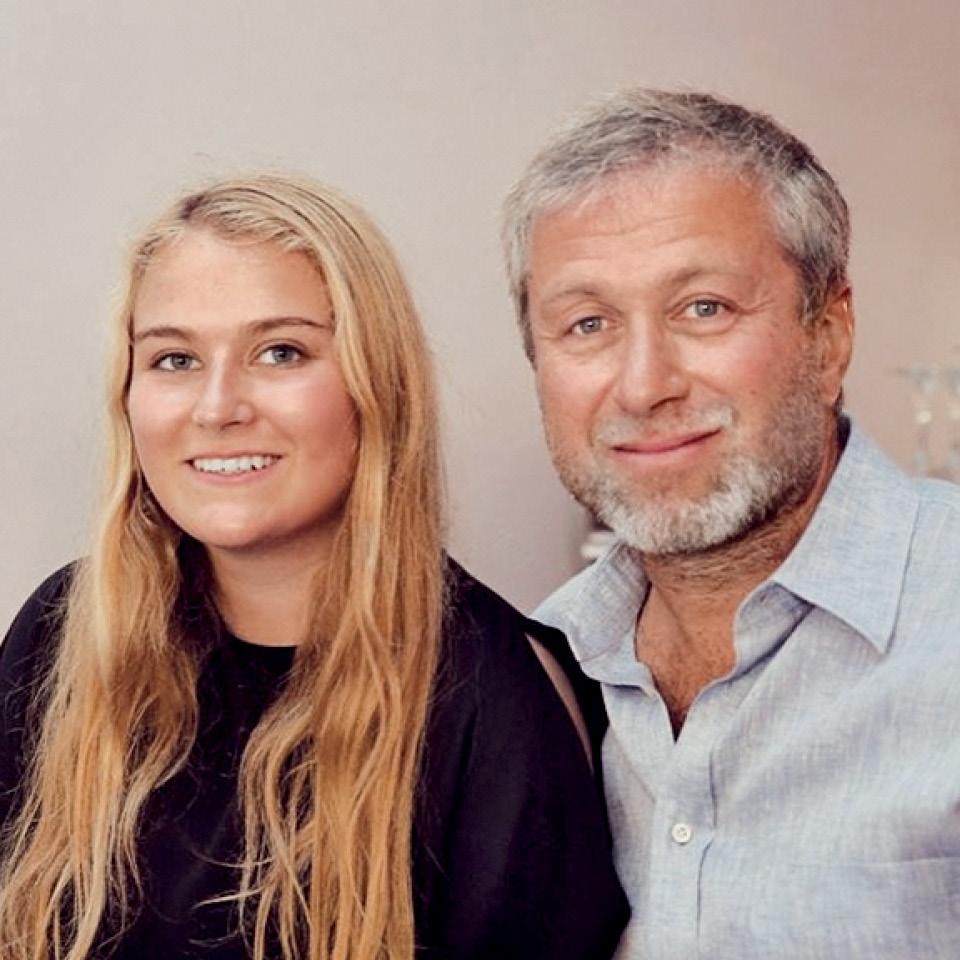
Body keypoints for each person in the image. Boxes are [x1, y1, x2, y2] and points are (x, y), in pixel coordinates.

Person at [0, 174, 628, 960]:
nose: (218, 407)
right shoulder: (63, 634)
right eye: (174, 359)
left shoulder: (494, 696)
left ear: (376, 387)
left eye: (280, 352)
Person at [502, 88, 960, 958]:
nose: (645, 385)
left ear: (829, 335)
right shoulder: (538, 672)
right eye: (588, 324)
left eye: (703, 308)